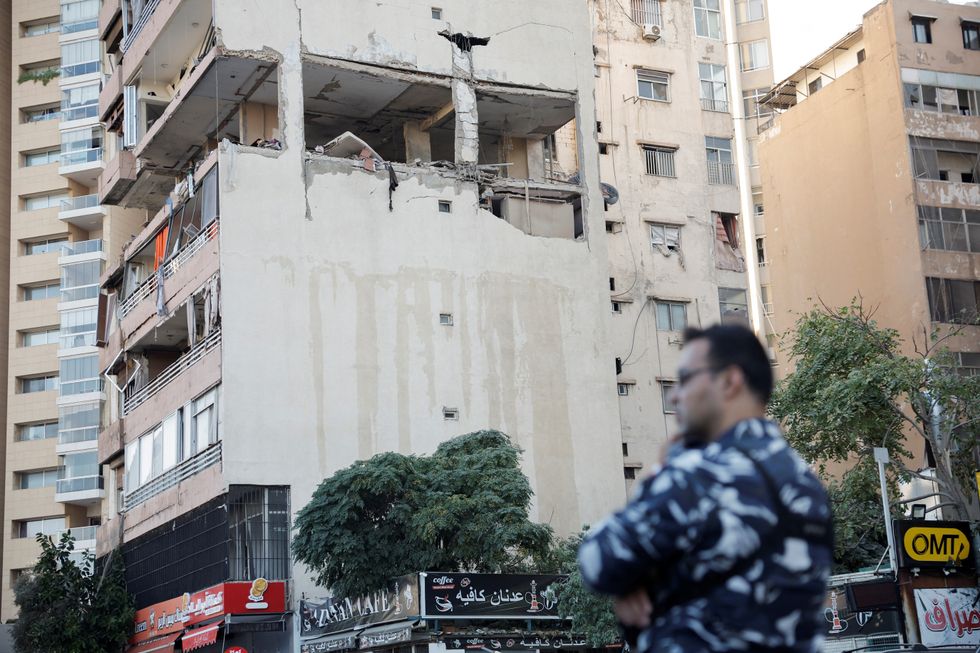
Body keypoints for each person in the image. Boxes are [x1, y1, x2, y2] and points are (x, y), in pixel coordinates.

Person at [578, 324, 833, 653]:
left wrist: (663, 470)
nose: (675, 395)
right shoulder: (808, 485)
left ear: (729, 381)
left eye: (685, 379)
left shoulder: (699, 475)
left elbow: (596, 561)